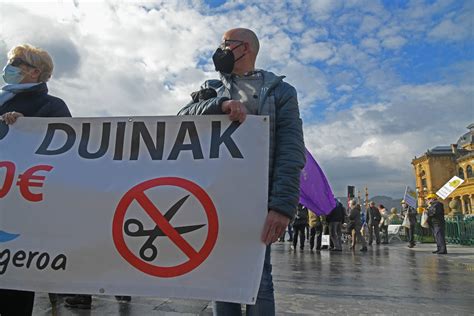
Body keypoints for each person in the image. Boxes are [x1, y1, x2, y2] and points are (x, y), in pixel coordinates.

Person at [178, 28, 305, 316]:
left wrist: (282, 207)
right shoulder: (211, 87)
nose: (219, 49)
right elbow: (180, 120)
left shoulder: (281, 92)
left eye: (225, 43)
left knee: (259, 280)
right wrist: (218, 105)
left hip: (256, 202)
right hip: (213, 199)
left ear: (244, 48)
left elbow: (291, 149)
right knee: (221, 279)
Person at [0, 44, 71, 316]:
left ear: (34, 71)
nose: (9, 67)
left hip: (20, 210)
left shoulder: (52, 106)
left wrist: (27, 129)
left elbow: (67, 153)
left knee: (13, 290)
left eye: (16, 62)